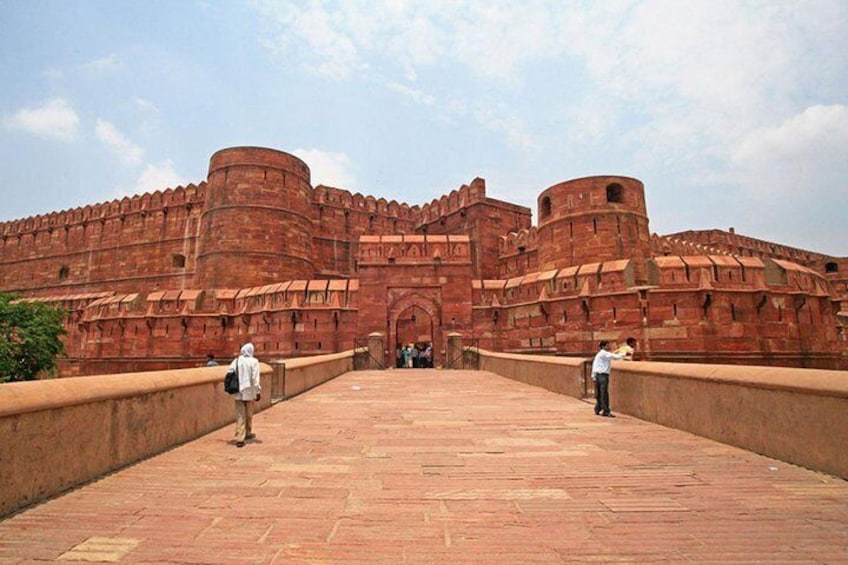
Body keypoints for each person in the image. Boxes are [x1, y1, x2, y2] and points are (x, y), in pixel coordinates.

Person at [229, 342, 261, 447]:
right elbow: (256, 379)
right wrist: (258, 391)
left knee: (240, 415)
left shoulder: (237, 360)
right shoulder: (254, 361)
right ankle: (247, 434)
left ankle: (240, 438)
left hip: (238, 391)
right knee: (248, 414)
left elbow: (230, 372)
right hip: (250, 392)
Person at [591, 340, 627, 418]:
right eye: (608, 345)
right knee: (604, 393)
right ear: (603, 346)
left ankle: (598, 408)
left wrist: (593, 376)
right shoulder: (604, 353)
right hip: (603, 376)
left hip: (598, 375)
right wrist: (624, 353)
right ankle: (606, 411)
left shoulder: (600, 354)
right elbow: (615, 357)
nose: (609, 347)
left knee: (599, 393)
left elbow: (595, 365)